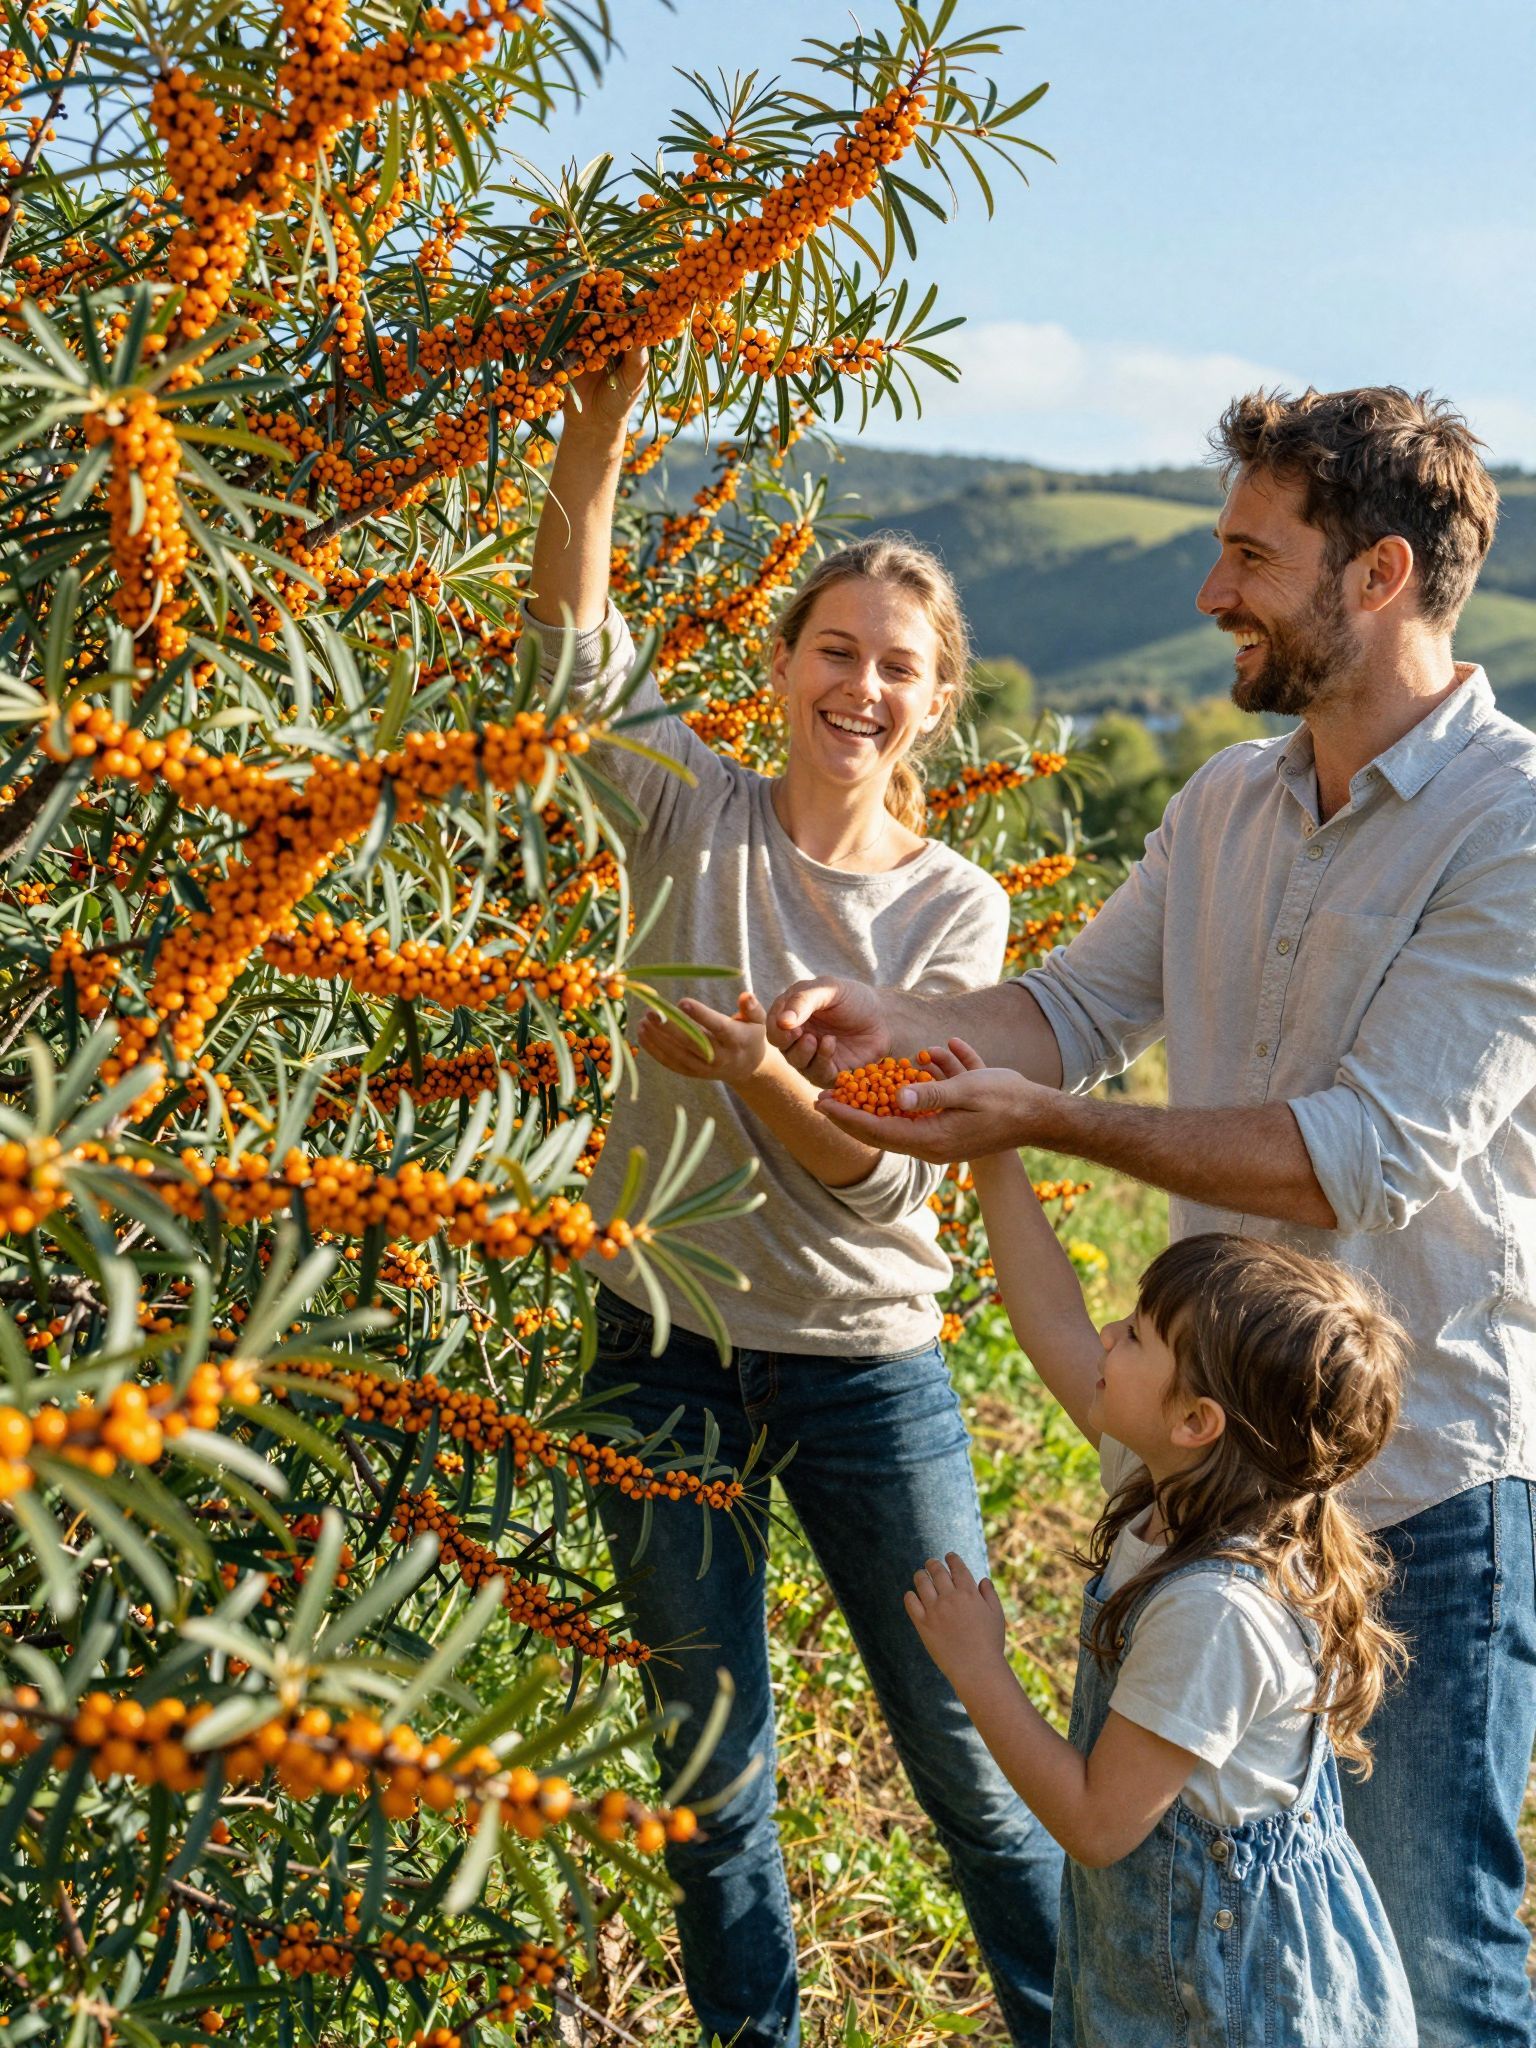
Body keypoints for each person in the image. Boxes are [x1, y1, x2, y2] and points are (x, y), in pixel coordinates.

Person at [769, 386, 1536, 2043]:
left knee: (1431, 1957)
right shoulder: (1224, 807)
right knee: (1206, 1937)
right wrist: (893, 1026)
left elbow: (1365, 1154)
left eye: (1251, 555)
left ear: (1383, 575)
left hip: (1421, 1493)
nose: (1211, 593)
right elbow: (1058, 1009)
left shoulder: (1513, 824)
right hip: (1201, 1478)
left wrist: (1042, 1121)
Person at [522, 347, 1062, 2047]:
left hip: (858, 1361)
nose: (861, 686)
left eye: (897, 666)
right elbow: (569, 653)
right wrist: (598, 431)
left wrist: (753, 1070)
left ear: (936, 700)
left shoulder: (956, 911)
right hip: (660, 1338)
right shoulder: (694, 807)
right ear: (779, 667)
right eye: (834, 650)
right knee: (716, 1784)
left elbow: (858, 1157)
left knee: (973, 1770)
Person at [901, 1039, 1417, 2048]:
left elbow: (1098, 1823)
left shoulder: (1215, 1607)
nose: (1106, 1336)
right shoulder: (1183, 1496)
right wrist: (993, 1149)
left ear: (1200, 1421)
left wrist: (978, 1665)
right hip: (1167, 1971)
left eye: (1137, 1334)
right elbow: (1048, 1317)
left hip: (1227, 2005)